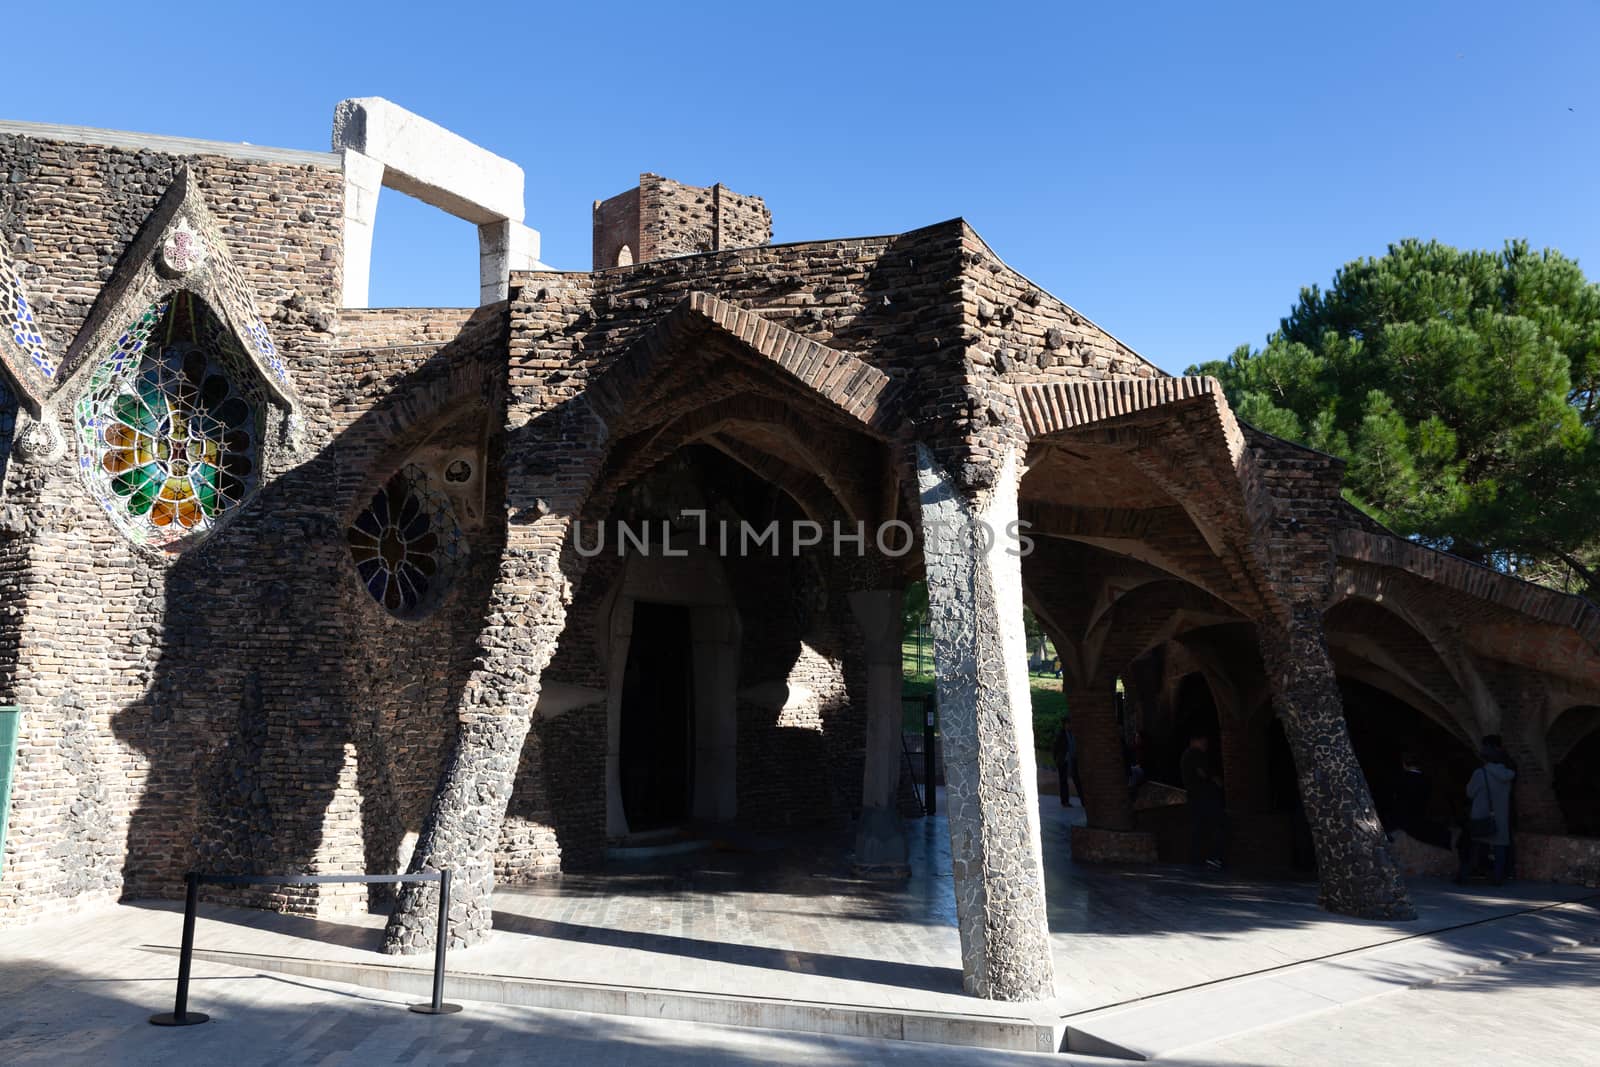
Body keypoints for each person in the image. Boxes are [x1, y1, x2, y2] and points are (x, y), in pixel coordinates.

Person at [1456, 735, 1516, 885]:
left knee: (1475, 846)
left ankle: (1466, 875)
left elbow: (1469, 792)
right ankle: (1497, 877)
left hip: (1481, 816)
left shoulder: (1480, 773)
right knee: (1500, 847)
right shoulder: (1508, 776)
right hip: (1500, 816)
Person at [1181, 730, 1226, 869]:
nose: (1206, 746)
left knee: (1199, 828)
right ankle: (1213, 857)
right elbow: (1203, 772)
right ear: (1195, 740)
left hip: (1196, 797)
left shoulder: (1187, 755)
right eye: (1204, 742)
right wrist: (1215, 780)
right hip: (1203, 797)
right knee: (1215, 825)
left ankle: (1197, 858)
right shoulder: (1194, 754)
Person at [1393, 750, 1449, 848]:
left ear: (1404, 764)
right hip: (1421, 816)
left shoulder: (1401, 779)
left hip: (1404, 821)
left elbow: (1397, 798)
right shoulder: (1427, 780)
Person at [1052, 720, 1083, 807]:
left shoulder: (1074, 734)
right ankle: (1065, 801)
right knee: (1063, 781)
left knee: (1077, 780)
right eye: (1068, 724)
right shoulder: (1061, 735)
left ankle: (1083, 801)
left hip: (1073, 760)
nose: (1069, 726)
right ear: (1065, 725)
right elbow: (1055, 748)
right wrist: (1057, 760)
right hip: (1064, 761)